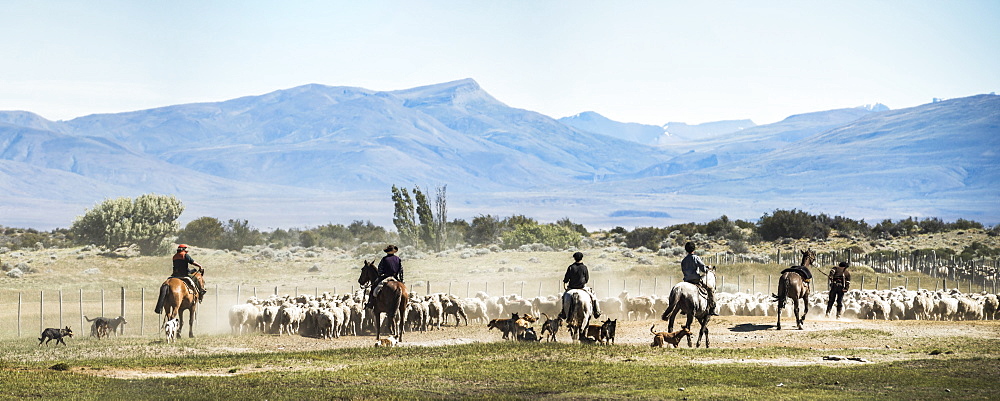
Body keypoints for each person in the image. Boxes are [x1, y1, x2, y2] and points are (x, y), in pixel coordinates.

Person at [558, 252, 601, 319]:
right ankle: (596, 312)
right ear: (581, 258)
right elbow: (587, 279)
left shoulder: (571, 267)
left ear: (574, 258)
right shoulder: (584, 267)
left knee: (564, 297)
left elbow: (566, 278)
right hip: (582, 287)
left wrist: (565, 284)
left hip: (571, 288)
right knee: (593, 296)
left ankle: (563, 312)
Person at [681, 242, 718, 316]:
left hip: (686, 281)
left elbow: (683, 270)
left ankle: (683, 309)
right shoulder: (695, 257)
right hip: (695, 280)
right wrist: (708, 268)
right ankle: (712, 308)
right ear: (694, 249)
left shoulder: (684, 260)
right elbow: (703, 269)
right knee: (710, 289)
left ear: (686, 250)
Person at [364, 245, 403, 309]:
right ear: (394, 252)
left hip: (386, 277)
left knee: (374, 288)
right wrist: (401, 280)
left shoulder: (384, 259)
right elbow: (401, 270)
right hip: (395, 277)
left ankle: (371, 303)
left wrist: (380, 276)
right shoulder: (398, 259)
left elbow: (380, 269)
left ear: (387, 252)